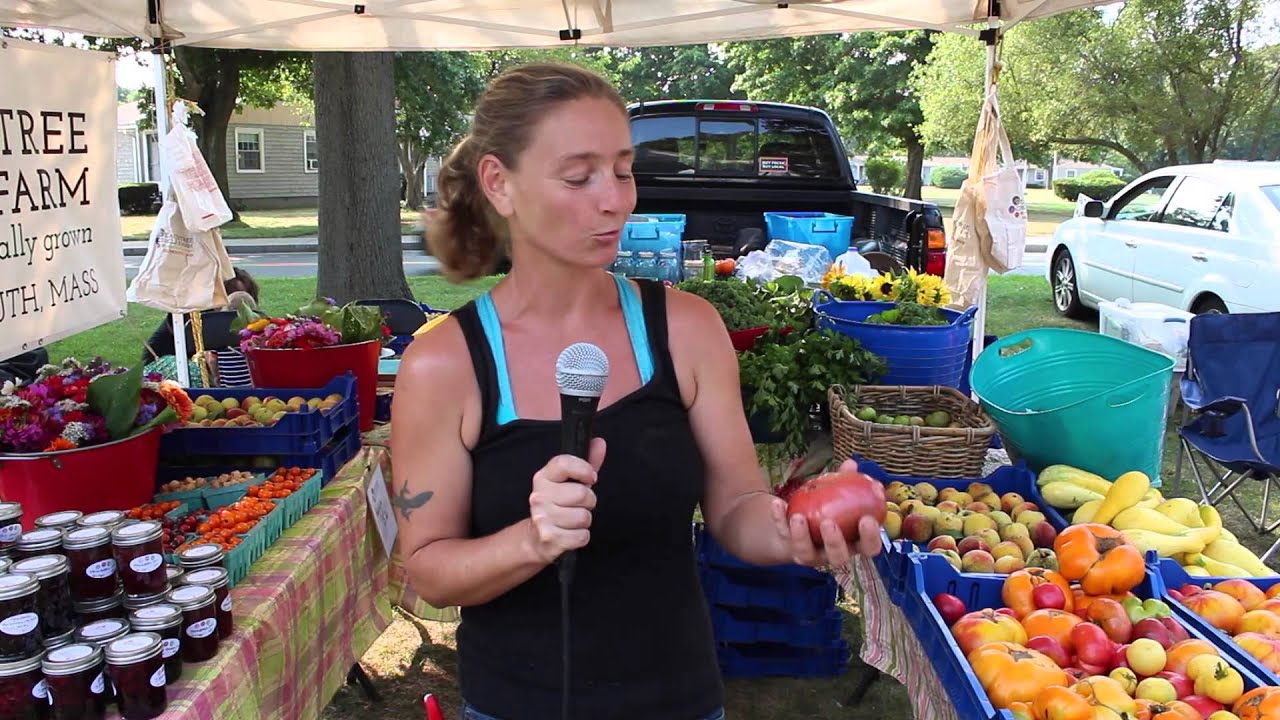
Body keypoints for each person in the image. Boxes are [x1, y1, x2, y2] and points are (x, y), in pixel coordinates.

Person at [389, 63, 882, 720]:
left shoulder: (687, 329)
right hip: (515, 702)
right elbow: (427, 569)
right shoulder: (441, 365)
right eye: (579, 176)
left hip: (679, 696)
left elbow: (736, 503)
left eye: (623, 169)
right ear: (499, 184)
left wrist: (787, 529)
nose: (616, 199)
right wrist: (533, 539)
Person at [141, 267, 260, 384]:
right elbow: (207, 354)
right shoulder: (196, 311)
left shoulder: (246, 316)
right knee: (197, 375)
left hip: (200, 361)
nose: (240, 302)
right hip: (165, 361)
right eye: (233, 296)